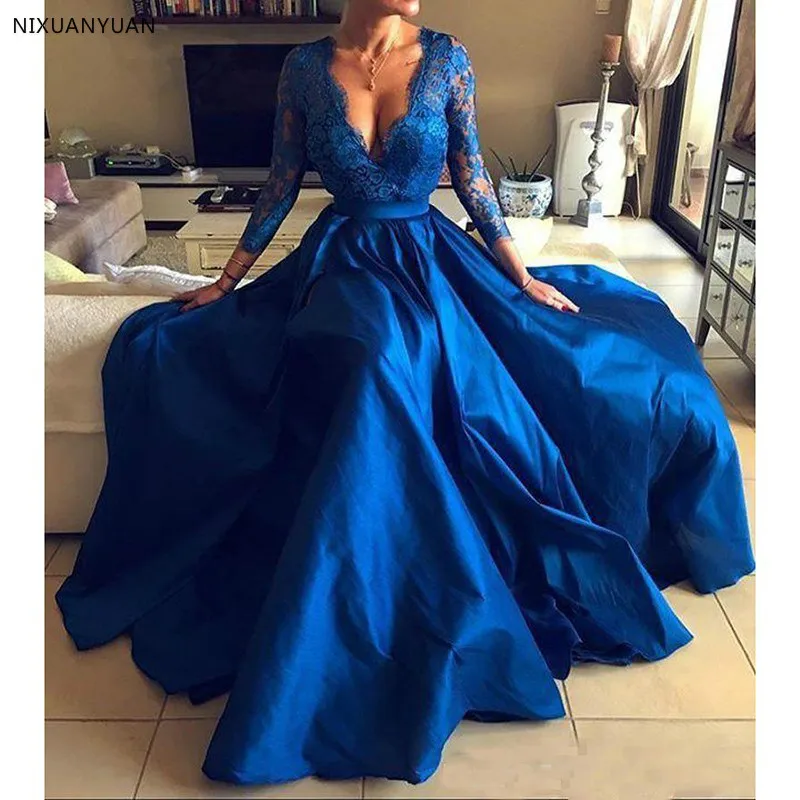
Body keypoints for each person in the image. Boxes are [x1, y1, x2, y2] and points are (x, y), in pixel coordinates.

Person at [56, 0, 754, 787]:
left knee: (544, 365)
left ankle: (411, 582)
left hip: (430, 257)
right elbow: (281, 182)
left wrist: (521, 276)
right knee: (370, 357)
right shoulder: (304, 68)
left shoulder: (449, 59)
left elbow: (472, 175)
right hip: (344, 262)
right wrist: (226, 281)